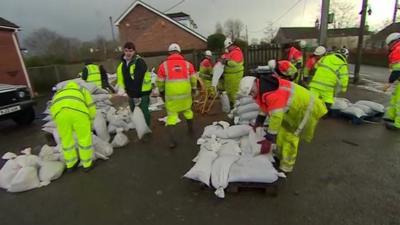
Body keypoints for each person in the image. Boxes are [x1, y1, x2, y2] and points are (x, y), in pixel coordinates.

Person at [238, 75, 327, 173]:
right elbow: (265, 105)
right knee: (281, 131)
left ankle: (286, 166)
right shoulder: (264, 88)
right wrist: (259, 121)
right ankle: (279, 156)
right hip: (295, 107)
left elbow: (276, 116)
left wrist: (269, 138)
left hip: (305, 109)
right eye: (249, 94)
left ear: (255, 82)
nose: (251, 94)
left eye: (251, 91)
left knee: (290, 137)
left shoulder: (271, 93)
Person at [156, 43, 197, 148]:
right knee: (188, 111)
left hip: (171, 96)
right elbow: (193, 79)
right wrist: (194, 89)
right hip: (186, 95)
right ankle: (191, 130)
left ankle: (172, 142)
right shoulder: (188, 64)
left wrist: (161, 91)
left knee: (172, 117)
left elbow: (159, 81)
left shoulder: (163, 65)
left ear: (169, 53)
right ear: (179, 52)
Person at [50, 81, 96, 172]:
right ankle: (87, 164)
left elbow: (52, 108)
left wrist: (58, 122)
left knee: (66, 140)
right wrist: (90, 122)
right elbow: (91, 106)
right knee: (84, 138)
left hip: (60, 115)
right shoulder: (82, 90)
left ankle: (71, 164)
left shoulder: (59, 93)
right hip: (79, 113)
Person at [116, 42, 152, 126]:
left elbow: (138, 79)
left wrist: (136, 95)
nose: (128, 53)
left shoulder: (139, 62)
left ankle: (147, 128)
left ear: (134, 51)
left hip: (143, 91)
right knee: (134, 110)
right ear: (123, 51)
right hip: (131, 93)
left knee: (144, 110)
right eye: (126, 51)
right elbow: (120, 78)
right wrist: (121, 88)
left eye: (130, 51)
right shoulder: (122, 65)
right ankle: (139, 127)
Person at [383, 33, 400, 130]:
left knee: (399, 102)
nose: (388, 47)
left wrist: (389, 83)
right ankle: (392, 117)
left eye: (389, 44)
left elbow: (397, 69)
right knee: (395, 99)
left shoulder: (398, 50)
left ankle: (398, 124)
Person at [220, 38, 244, 107]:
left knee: (234, 93)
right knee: (230, 92)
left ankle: (237, 108)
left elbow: (234, 64)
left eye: (227, 47)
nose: (227, 49)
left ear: (231, 45)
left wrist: (225, 61)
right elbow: (226, 58)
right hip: (230, 76)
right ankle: (232, 106)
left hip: (235, 76)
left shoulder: (236, 52)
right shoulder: (231, 52)